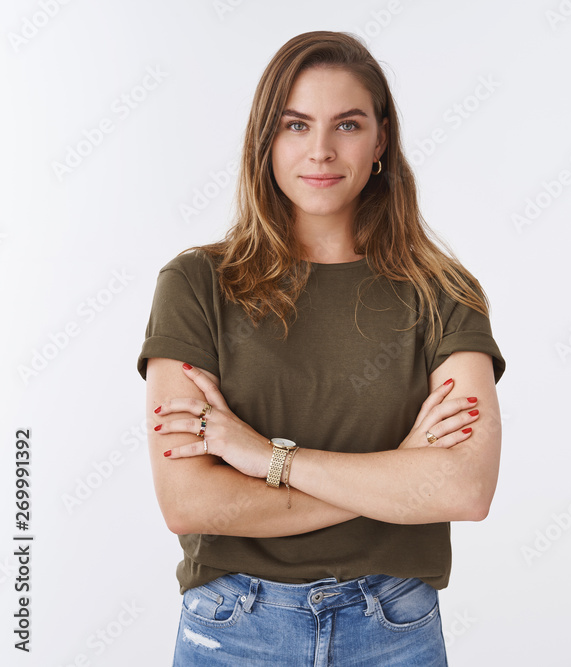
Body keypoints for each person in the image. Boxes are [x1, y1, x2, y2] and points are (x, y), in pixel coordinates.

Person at [136, 30, 505, 666]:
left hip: (393, 628)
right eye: (297, 125)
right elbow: (188, 501)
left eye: (349, 124)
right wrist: (397, 469)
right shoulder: (196, 284)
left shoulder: (444, 292)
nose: (323, 151)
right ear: (266, 139)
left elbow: (464, 488)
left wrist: (265, 459)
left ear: (382, 139)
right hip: (233, 628)